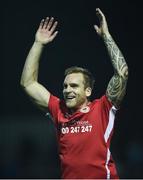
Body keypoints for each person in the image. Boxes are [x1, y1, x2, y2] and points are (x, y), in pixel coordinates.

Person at [20, 8, 128, 179]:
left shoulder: (103, 109)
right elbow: (28, 83)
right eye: (65, 86)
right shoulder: (58, 110)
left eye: (74, 86)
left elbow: (122, 73)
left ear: (88, 91)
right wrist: (38, 44)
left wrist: (106, 35)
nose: (67, 90)